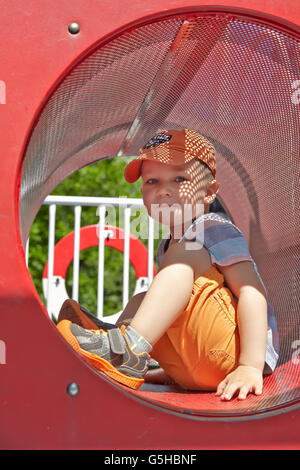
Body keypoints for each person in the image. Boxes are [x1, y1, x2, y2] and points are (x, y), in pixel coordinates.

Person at [57, 128, 279, 400]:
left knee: (187, 253)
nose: (164, 190)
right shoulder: (169, 246)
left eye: (179, 178)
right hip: (200, 366)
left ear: (209, 192)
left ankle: (127, 348)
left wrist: (250, 365)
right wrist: (170, 370)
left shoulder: (213, 228)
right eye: (152, 181)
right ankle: (120, 345)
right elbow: (182, 316)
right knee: (144, 299)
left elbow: (251, 293)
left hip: (234, 355)